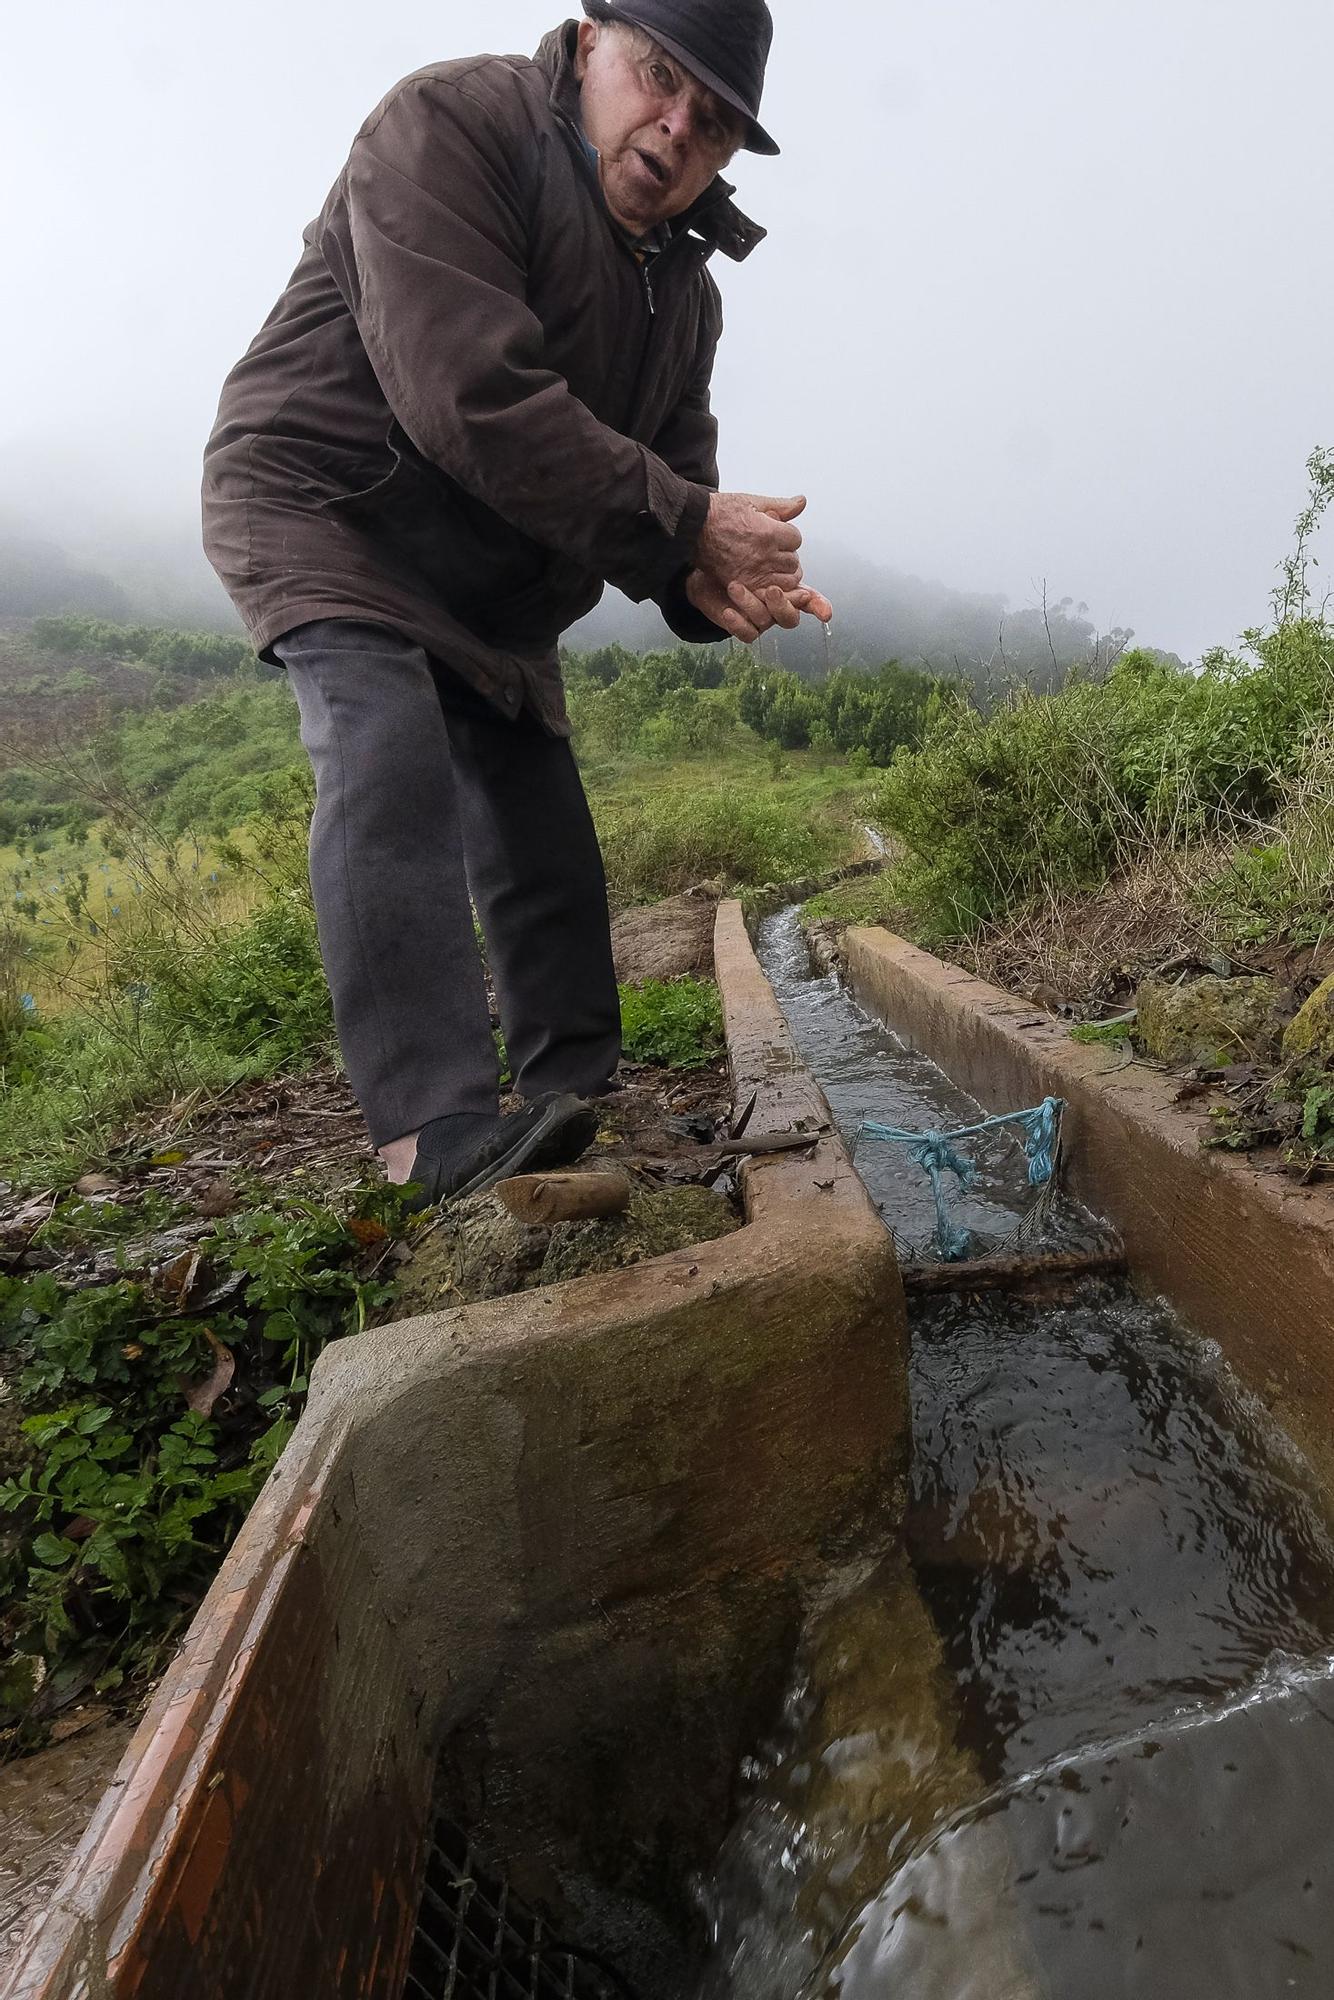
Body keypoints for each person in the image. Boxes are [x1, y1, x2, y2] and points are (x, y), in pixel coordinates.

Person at [202, 0, 832, 1205]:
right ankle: (431, 1132)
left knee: (545, 832)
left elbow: (674, 486)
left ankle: (575, 1098)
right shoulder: (453, 124)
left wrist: (713, 576)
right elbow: (469, 394)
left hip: (498, 572)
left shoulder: (685, 294)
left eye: (713, 123)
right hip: (332, 502)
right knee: (388, 750)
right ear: (591, 36)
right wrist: (687, 523)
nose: (675, 130)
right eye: (660, 80)